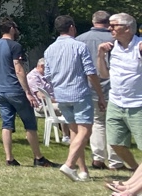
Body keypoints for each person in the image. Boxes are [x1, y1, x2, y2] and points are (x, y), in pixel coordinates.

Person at [44, 14, 104, 182]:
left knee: (75, 132)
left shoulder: (49, 50)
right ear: (71, 27)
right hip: (79, 93)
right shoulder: (79, 46)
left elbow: (48, 75)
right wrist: (100, 95)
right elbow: (90, 72)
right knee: (85, 131)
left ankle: (83, 171)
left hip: (61, 95)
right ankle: (69, 165)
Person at [0, 17, 53, 168]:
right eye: (16, 28)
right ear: (11, 28)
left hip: (1, 91)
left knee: (7, 124)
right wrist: (28, 92)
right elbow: (18, 69)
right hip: (15, 90)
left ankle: (9, 158)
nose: (17, 30)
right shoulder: (15, 46)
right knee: (30, 123)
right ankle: (38, 158)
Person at [75, 11, 124, 170]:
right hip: (114, 88)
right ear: (108, 23)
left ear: (93, 20)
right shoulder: (117, 39)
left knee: (97, 123)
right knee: (115, 124)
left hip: (89, 88)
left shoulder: (80, 40)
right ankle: (116, 160)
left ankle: (97, 158)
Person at [97, 12, 142, 172]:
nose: (110, 28)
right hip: (116, 103)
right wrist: (100, 55)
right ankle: (137, 171)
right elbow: (104, 75)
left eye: (114, 25)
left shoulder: (139, 46)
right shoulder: (111, 48)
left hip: (138, 104)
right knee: (115, 143)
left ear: (128, 28)